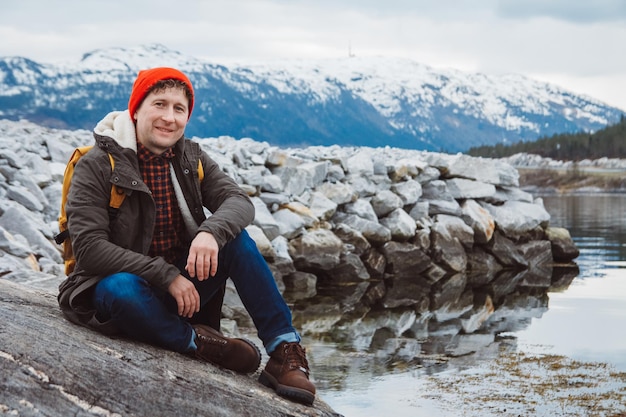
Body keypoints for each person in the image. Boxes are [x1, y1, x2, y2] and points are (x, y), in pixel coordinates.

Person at [57, 67, 316, 405]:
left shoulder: (190, 158)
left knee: (236, 241)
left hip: (181, 290)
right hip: (118, 290)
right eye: (159, 105)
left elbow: (238, 202)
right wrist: (165, 276)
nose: (169, 117)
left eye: (179, 109)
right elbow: (91, 250)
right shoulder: (97, 164)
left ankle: (283, 350)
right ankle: (201, 344)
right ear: (136, 109)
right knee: (120, 287)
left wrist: (210, 232)